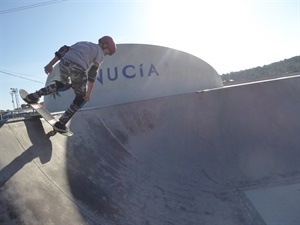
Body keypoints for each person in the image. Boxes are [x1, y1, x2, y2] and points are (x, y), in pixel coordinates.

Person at [23, 36, 116, 132]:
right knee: (81, 98)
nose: (105, 55)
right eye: (106, 53)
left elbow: (64, 50)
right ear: (104, 45)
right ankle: (61, 123)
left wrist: (50, 64)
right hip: (78, 68)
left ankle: (35, 95)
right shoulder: (100, 52)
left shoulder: (83, 43)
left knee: (64, 85)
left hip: (64, 63)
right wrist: (88, 93)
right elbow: (92, 73)